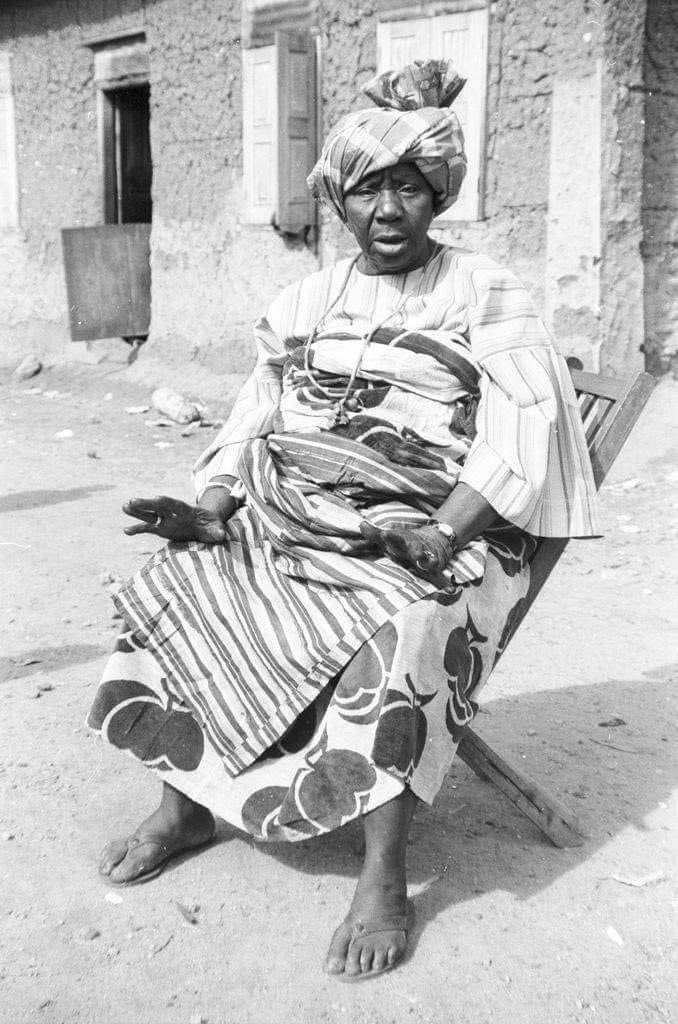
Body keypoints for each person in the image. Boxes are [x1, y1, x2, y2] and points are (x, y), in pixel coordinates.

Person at [89, 60, 599, 981]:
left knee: (398, 624)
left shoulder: (487, 292)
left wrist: (440, 533)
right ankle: (186, 804)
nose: (390, 208)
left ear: (439, 193)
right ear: (338, 199)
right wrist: (210, 512)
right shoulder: (306, 301)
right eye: (368, 187)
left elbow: (521, 437)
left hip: (446, 528)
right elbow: (255, 415)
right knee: (187, 580)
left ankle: (383, 877)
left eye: (410, 186)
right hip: (305, 513)